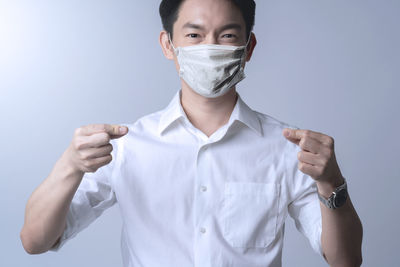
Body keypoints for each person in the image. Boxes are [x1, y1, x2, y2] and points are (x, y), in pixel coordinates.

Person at [20, 0, 363, 266]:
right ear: (168, 44)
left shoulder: (286, 147)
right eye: (194, 35)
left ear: (249, 47)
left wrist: (333, 183)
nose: (210, 47)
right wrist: (69, 165)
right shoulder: (128, 146)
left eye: (227, 35)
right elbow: (35, 241)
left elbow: (345, 260)